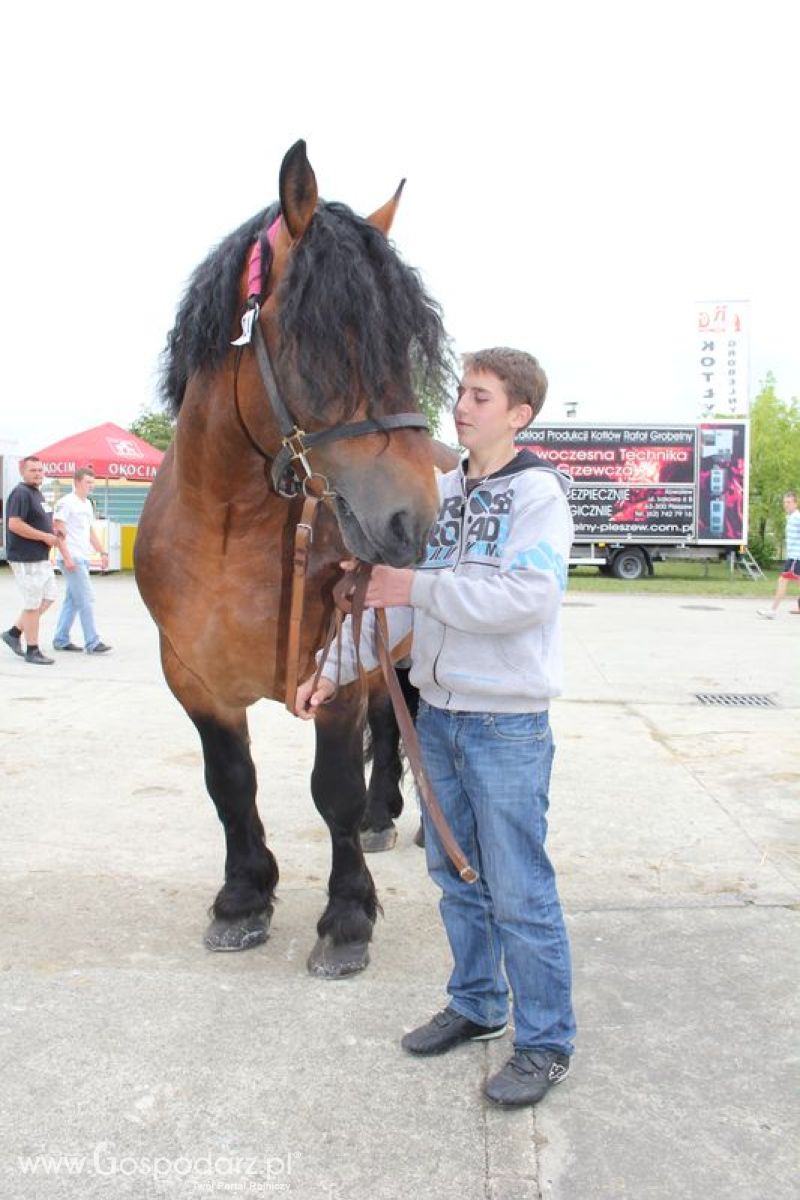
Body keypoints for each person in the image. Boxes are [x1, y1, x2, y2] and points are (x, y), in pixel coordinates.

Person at [296, 347, 576, 1108]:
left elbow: (529, 598)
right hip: (439, 721)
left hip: (506, 725)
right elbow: (389, 603)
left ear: (519, 414)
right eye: (460, 392)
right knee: (454, 877)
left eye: (480, 396)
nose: (461, 406)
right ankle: (478, 1004)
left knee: (519, 889)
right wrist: (330, 669)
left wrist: (415, 586)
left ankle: (546, 1043)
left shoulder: (538, 493)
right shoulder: (442, 492)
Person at [2, 456, 60, 665]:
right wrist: (44, 536)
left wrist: (53, 532)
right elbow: (15, 524)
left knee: (49, 596)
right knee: (32, 603)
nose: (38, 474)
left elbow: (39, 520)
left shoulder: (37, 493)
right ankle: (32, 649)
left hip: (40, 557)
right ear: (22, 472)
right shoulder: (21, 493)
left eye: (40, 470)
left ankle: (14, 632)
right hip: (26, 558)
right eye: (33, 470)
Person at [52, 467, 112, 653]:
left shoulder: (87, 504)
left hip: (82, 556)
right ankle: (92, 642)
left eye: (93, 482)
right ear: (77, 482)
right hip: (72, 557)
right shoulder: (65, 503)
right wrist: (67, 557)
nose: (91, 486)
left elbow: (89, 531)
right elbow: (58, 530)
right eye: (88, 482)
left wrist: (102, 552)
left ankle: (61, 639)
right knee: (86, 598)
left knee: (72, 600)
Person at [758, 491, 800, 619]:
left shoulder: (797, 517)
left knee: (783, 580)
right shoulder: (790, 517)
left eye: (789, 502)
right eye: (784, 502)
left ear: (796, 503)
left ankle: (772, 611)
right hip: (793, 556)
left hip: (796, 557)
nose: (786, 505)